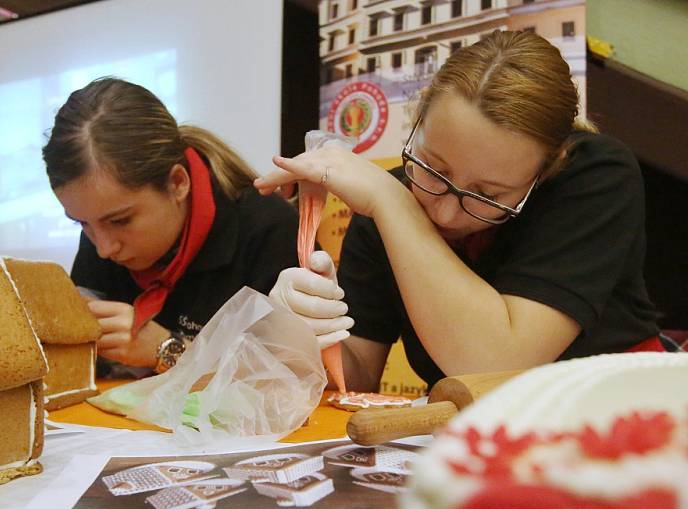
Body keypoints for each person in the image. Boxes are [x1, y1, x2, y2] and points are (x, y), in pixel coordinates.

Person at [256, 30, 663, 392]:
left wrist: (394, 204)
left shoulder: (595, 174)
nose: (447, 214)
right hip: (481, 440)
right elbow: (359, 372)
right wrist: (304, 335)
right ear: (417, 122)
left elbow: (494, 366)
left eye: (488, 195)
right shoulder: (391, 200)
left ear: (546, 170)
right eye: (435, 169)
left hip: (621, 418)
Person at [43, 77, 300, 375]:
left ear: (178, 183)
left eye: (121, 220)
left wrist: (167, 349)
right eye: (82, 223)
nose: (103, 248)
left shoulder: (269, 229)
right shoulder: (102, 228)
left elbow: (292, 379)